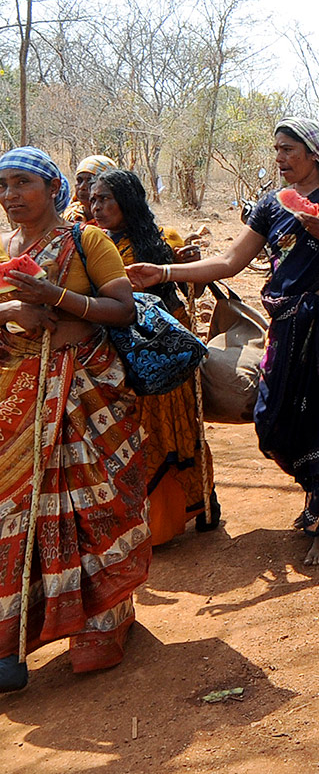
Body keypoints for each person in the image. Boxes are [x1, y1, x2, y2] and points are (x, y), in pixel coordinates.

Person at [128, 118, 319, 567]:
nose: (280, 158)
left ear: (314, 151)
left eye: (288, 149)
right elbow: (231, 261)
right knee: (273, 419)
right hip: (288, 325)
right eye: (276, 150)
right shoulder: (272, 205)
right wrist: (164, 272)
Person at [0, 147, 148, 692]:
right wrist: (13, 310)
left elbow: (123, 309)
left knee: (92, 500)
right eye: (3, 186)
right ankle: (18, 629)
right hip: (17, 399)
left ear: (51, 188)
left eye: (22, 184)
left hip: (85, 394)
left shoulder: (87, 241)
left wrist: (56, 296)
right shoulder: (2, 248)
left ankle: (103, 622)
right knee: (20, 510)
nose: (11, 196)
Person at [91, 168, 220, 543]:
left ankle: (180, 510)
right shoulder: (95, 243)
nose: (96, 206)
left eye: (105, 199)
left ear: (126, 203)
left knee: (167, 431)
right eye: (93, 199)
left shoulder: (154, 244)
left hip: (159, 352)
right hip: (119, 353)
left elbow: (174, 291)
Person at [65, 154, 118, 224]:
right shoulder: (69, 215)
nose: (82, 187)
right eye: (79, 180)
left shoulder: (113, 223)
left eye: (90, 181)